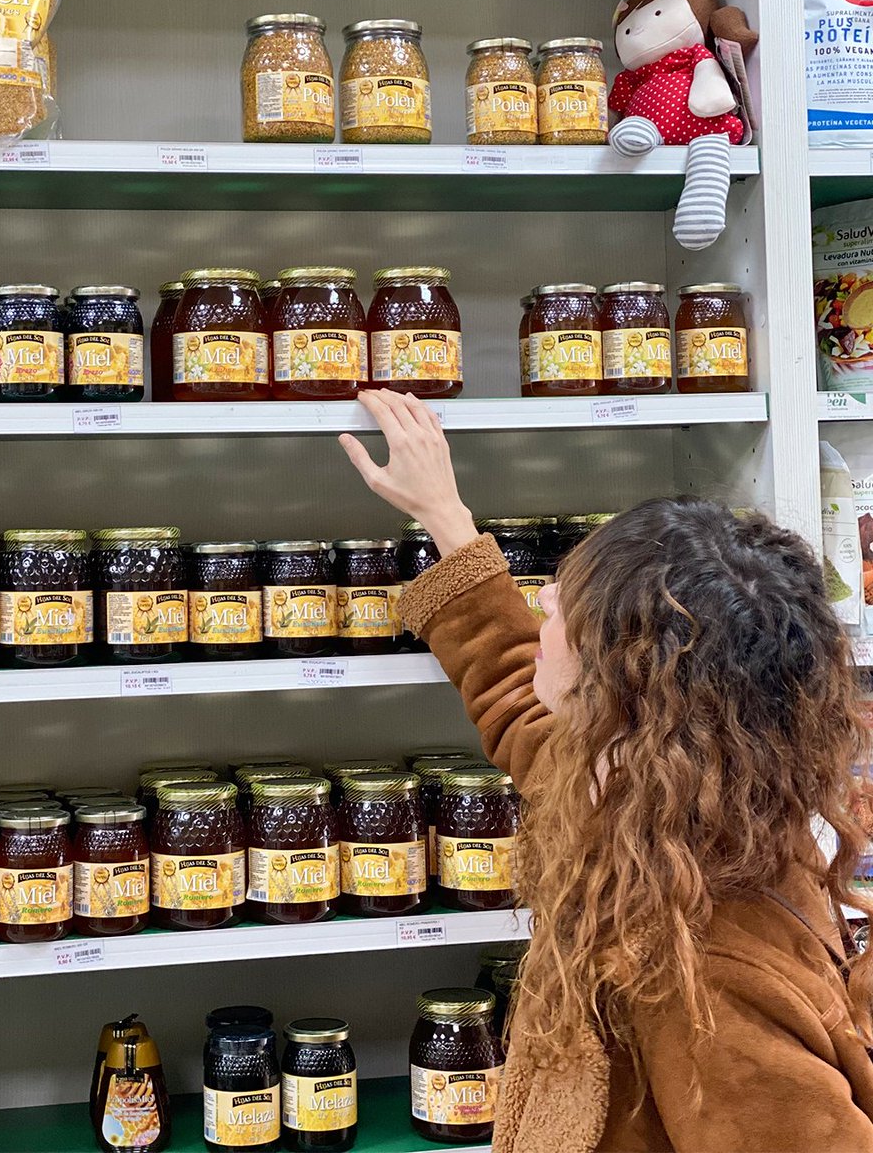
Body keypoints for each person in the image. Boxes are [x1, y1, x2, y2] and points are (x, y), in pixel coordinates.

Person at [339, 389, 873, 1153]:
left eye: (565, 609)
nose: (546, 599)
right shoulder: (648, 793)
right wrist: (446, 518)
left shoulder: (708, 961)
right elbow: (514, 698)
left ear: (621, 683)